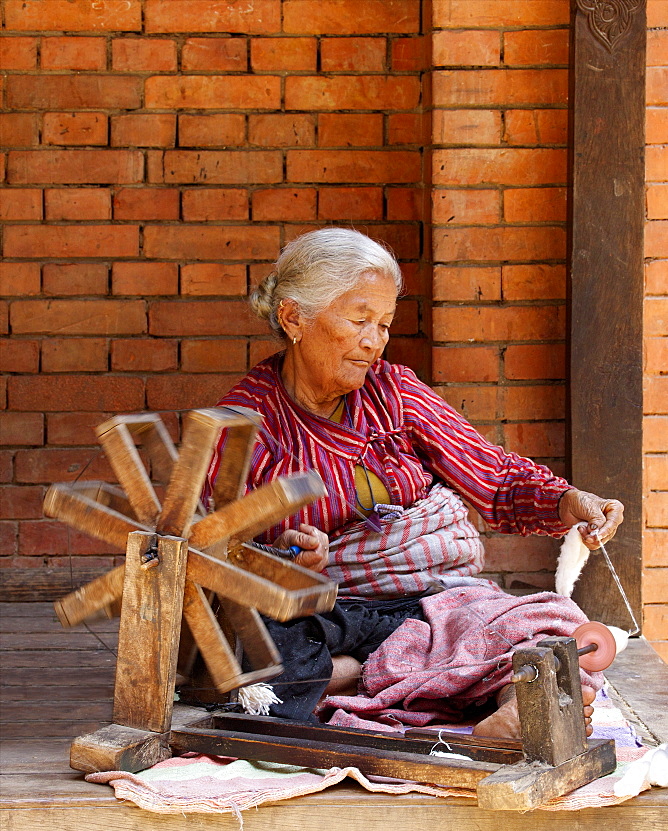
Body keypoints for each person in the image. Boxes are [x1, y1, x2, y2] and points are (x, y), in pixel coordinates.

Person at [205, 228, 624, 738]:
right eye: (359, 319)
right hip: (328, 615)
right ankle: (403, 680)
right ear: (295, 318)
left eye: (384, 323)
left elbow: (493, 477)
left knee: (546, 621)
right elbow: (216, 552)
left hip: (428, 601)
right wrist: (285, 559)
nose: (375, 339)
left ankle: (515, 707)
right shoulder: (245, 423)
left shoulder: (395, 392)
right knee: (259, 655)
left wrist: (568, 501)